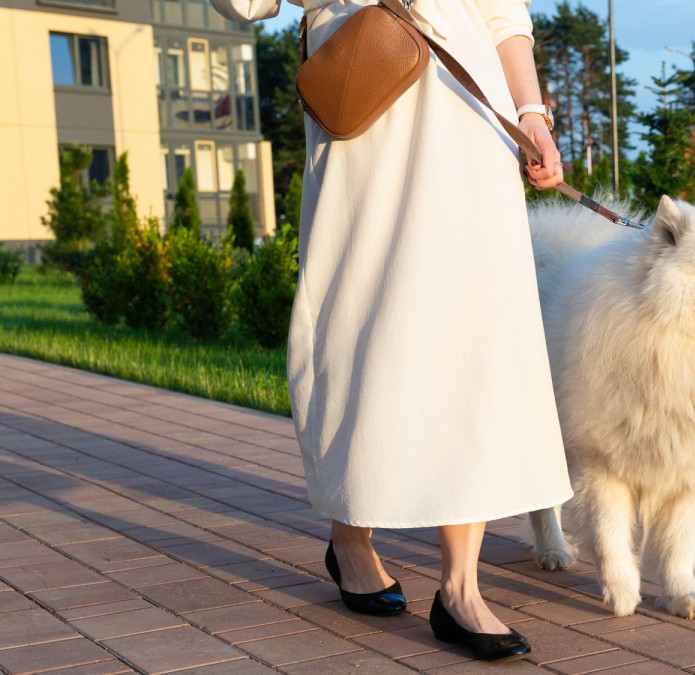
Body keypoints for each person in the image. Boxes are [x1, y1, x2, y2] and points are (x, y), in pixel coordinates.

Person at [208, 0, 573, 662]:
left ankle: (461, 586)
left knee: (474, 333)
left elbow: (501, 12)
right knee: (364, 332)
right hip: (368, 104)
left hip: (467, 112)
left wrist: (532, 114)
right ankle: (350, 536)